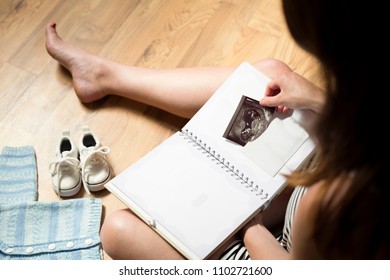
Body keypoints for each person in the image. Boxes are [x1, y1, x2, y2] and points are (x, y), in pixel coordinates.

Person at [45, 0, 387, 260]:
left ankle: (105, 77)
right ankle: (106, 76)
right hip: (306, 205)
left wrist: (246, 225)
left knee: (117, 231)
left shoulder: (333, 202)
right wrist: (317, 97)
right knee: (269, 76)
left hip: (278, 249)